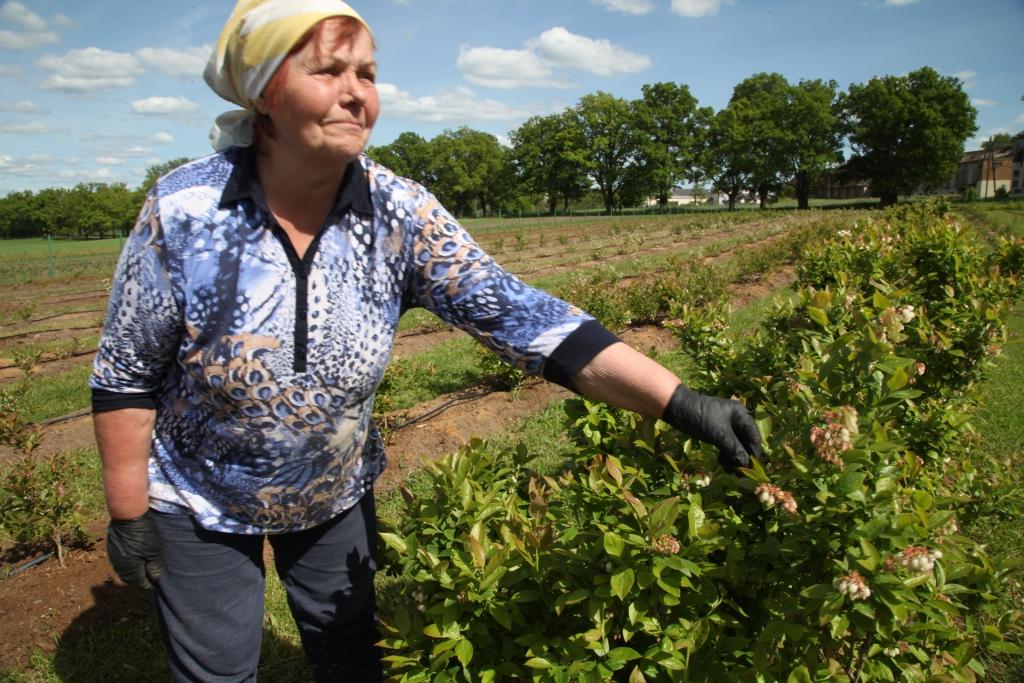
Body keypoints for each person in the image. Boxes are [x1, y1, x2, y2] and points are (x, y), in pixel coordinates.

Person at [90, 1, 762, 680]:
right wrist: (128, 511)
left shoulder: (398, 212)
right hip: (199, 494)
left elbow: (524, 317)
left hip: (332, 489)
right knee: (217, 671)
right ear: (265, 92)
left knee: (352, 656)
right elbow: (126, 372)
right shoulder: (186, 210)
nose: (356, 92)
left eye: (366, 73)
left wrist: (682, 402)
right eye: (328, 71)